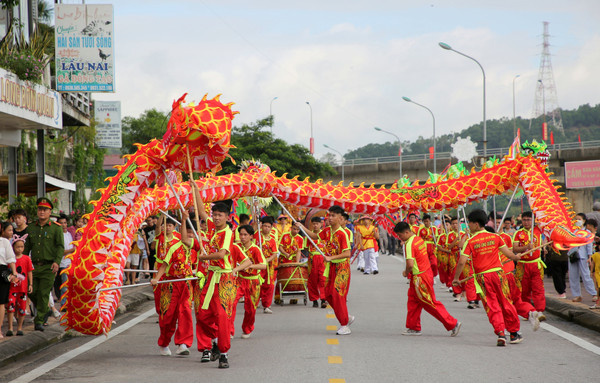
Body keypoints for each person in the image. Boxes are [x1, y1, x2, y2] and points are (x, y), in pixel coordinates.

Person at [194, 195, 250, 369]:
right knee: (202, 315)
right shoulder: (212, 228)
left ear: (227, 217)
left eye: (220, 215)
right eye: (215, 214)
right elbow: (201, 212)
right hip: (211, 277)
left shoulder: (227, 232)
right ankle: (217, 341)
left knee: (223, 317)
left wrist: (204, 257)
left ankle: (224, 354)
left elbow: (220, 254)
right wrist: (195, 189)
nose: (216, 217)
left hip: (224, 280)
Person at [454, 209, 522, 346]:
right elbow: (509, 254)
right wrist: (516, 257)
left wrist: (456, 278)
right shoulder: (496, 237)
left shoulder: (471, 241)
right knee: (506, 302)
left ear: (477, 224)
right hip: (498, 274)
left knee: (492, 305)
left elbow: (461, 261)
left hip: (483, 278)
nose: (469, 226)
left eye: (470, 223)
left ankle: (501, 333)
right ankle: (514, 334)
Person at [394, 222, 461, 337]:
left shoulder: (409, 244)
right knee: (413, 301)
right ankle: (413, 327)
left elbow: (410, 264)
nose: (400, 238)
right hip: (425, 273)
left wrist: (406, 272)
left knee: (429, 302)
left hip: (420, 277)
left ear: (406, 232)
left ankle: (452, 323)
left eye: (400, 235)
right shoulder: (418, 239)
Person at [299, 205, 354, 335]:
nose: (329, 217)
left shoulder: (342, 234)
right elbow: (314, 236)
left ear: (340, 218)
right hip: (331, 267)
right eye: (329, 215)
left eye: (333, 215)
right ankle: (346, 316)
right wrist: (302, 227)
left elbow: (347, 254)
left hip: (342, 268)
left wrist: (331, 257)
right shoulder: (327, 231)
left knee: (337, 294)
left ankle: (344, 324)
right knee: (328, 295)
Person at [150, 211, 196, 357]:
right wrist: (156, 278)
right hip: (169, 282)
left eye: (191, 234)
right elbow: (163, 266)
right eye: (187, 233)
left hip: (186, 283)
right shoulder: (172, 246)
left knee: (185, 312)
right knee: (167, 315)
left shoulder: (195, 245)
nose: (190, 237)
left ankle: (183, 343)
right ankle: (164, 342)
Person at [24, 197, 64, 332]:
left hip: (48, 266)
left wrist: (56, 262)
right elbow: (26, 248)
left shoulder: (56, 229)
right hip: (33, 266)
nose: (42, 212)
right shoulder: (31, 228)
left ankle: (39, 320)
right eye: (40, 209)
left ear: (50, 212)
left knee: (43, 293)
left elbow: (60, 247)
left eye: (45, 210)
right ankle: (46, 310)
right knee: (31, 291)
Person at [230, 225, 265, 339]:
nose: (243, 237)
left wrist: (250, 266)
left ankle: (247, 328)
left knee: (250, 308)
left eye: (245, 235)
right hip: (238, 280)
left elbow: (263, 265)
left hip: (252, 281)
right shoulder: (236, 247)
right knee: (231, 303)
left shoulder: (255, 249)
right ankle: (229, 330)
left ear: (251, 236)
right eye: (241, 234)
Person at [512, 211, 546, 313]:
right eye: (524, 220)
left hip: (536, 265)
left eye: (528, 220)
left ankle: (539, 311)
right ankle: (527, 311)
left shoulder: (538, 230)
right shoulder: (518, 233)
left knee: (538, 288)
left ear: (533, 220)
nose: (526, 222)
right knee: (523, 289)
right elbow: (515, 249)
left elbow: (544, 219)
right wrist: (526, 247)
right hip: (522, 265)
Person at [5, 236, 33, 336]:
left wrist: (30, 284)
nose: (20, 249)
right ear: (13, 247)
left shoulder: (26, 258)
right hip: (12, 288)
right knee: (10, 307)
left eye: (22, 247)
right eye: (18, 247)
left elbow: (29, 271)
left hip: (23, 288)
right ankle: (10, 328)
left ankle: (20, 328)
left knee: (22, 308)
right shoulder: (10, 260)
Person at [567, 219, 598, 302]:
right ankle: (577, 295)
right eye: (576, 218)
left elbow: (589, 244)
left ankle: (594, 293)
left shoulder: (587, 232)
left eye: (579, 219)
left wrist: (589, 256)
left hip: (583, 256)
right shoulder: (572, 231)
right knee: (573, 276)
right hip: (572, 255)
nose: (577, 220)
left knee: (586, 275)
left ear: (584, 221)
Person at [255, 216, 279, 314]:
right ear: (261, 226)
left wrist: (266, 260)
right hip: (257, 264)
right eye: (265, 226)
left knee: (269, 285)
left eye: (269, 227)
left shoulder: (272, 240)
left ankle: (266, 305)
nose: (266, 228)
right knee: (256, 283)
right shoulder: (256, 235)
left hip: (269, 266)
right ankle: (255, 302)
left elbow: (274, 254)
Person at [305, 217, 327, 308]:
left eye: (317, 223)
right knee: (312, 279)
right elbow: (306, 248)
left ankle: (323, 299)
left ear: (321, 224)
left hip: (323, 258)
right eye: (313, 224)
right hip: (312, 258)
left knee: (323, 279)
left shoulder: (325, 234)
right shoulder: (309, 235)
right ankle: (314, 299)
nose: (315, 225)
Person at [0, 230, 18, 338]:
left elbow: (11, 258)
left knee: (1, 302)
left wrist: (14, 273)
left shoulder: (4, 242)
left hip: (2, 272)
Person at [56, 214, 75, 308]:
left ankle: (68, 303)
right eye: (61, 223)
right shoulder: (58, 235)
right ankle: (64, 304)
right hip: (62, 263)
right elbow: (60, 252)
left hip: (70, 262)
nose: (64, 225)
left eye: (65, 223)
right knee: (64, 285)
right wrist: (72, 250)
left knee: (69, 285)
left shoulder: (69, 234)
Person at [417, 214, 438, 278]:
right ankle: (427, 276)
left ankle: (433, 275)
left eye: (427, 221)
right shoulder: (421, 229)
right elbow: (418, 239)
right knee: (425, 263)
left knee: (434, 263)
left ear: (430, 221)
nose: (426, 223)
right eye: (425, 221)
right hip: (424, 247)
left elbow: (436, 238)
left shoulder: (434, 228)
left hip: (432, 247)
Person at [590, 243, 600, 309]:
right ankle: (598, 303)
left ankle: (598, 304)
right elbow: (592, 264)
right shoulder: (595, 255)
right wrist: (591, 272)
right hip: (597, 274)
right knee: (598, 288)